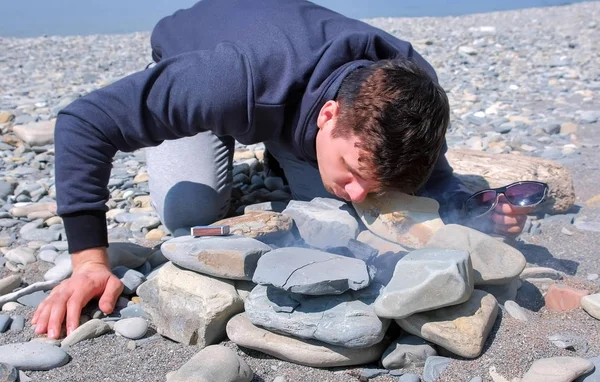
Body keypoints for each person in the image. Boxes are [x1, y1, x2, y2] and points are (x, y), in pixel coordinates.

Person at [32, 0, 529, 339]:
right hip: (206, 54)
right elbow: (83, 123)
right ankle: (240, 130)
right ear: (330, 115)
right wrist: (89, 263)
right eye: (353, 169)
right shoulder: (224, 80)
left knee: (346, 212)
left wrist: (467, 204)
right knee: (187, 210)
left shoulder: (413, 86)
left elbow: (422, 161)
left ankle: (283, 148)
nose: (355, 192)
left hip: (289, 76)